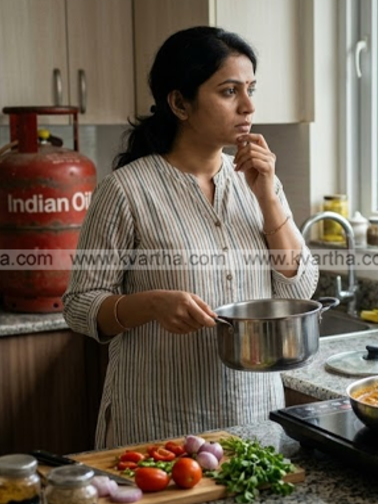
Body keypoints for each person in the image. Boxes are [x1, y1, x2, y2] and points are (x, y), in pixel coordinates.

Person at [63, 26, 319, 448]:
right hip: (159, 425)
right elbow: (79, 305)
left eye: (251, 89)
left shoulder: (259, 180)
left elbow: (300, 285)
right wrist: (149, 304)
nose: (249, 106)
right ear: (180, 103)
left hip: (253, 419)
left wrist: (268, 196)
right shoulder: (126, 190)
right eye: (229, 91)